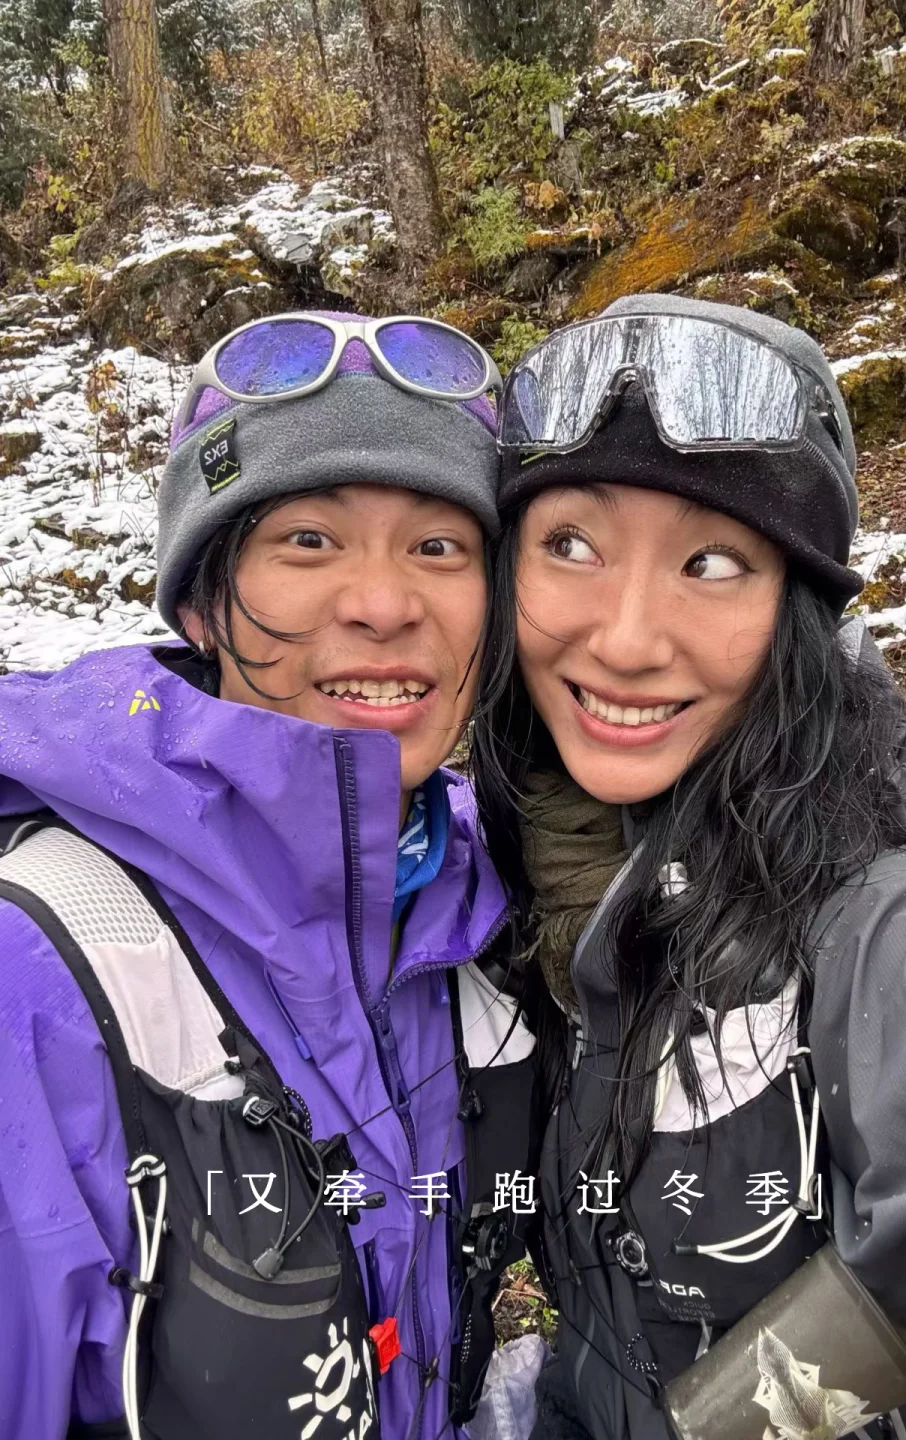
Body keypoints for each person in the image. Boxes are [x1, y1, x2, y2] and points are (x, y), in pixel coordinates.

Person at [471, 294, 906, 1440]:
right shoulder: (550, 873)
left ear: (798, 612)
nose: (627, 638)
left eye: (711, 561)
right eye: (571, 546)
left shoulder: (903, 927)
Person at [0, 311, 539, 1440]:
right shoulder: (35, 964)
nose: (384, 604)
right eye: (308, 540)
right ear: (203, 603)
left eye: (441, 548)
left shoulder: (471, 902)